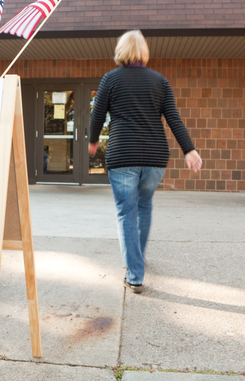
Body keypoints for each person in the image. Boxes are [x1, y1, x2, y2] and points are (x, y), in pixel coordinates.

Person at [88, 30, 202, 294]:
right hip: (155, 158)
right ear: (144, 51)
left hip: (123, 154)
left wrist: (93, 142)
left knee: (126, 212)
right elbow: (174, 118)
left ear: (121, 51)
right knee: (144, 206)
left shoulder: (110, 79)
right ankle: (136, 261)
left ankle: (135, 273)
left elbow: (97, 116)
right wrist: (189, 150)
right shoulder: (160, 81)